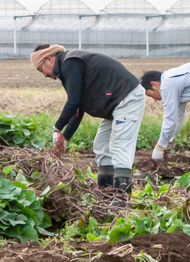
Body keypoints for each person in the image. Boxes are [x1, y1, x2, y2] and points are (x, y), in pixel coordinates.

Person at [31, 44, 145, 201]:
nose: (43, 75)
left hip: (127, 99)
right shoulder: (68, 65)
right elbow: (78, 107)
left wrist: (57, 128)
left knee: (120, 145)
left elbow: (73, 102)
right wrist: (64, 138)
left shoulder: (71, 62)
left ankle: (122, 199)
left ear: (49, 59)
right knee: (101, 146)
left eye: (40, 69)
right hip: (115, 105)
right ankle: (106, 194)